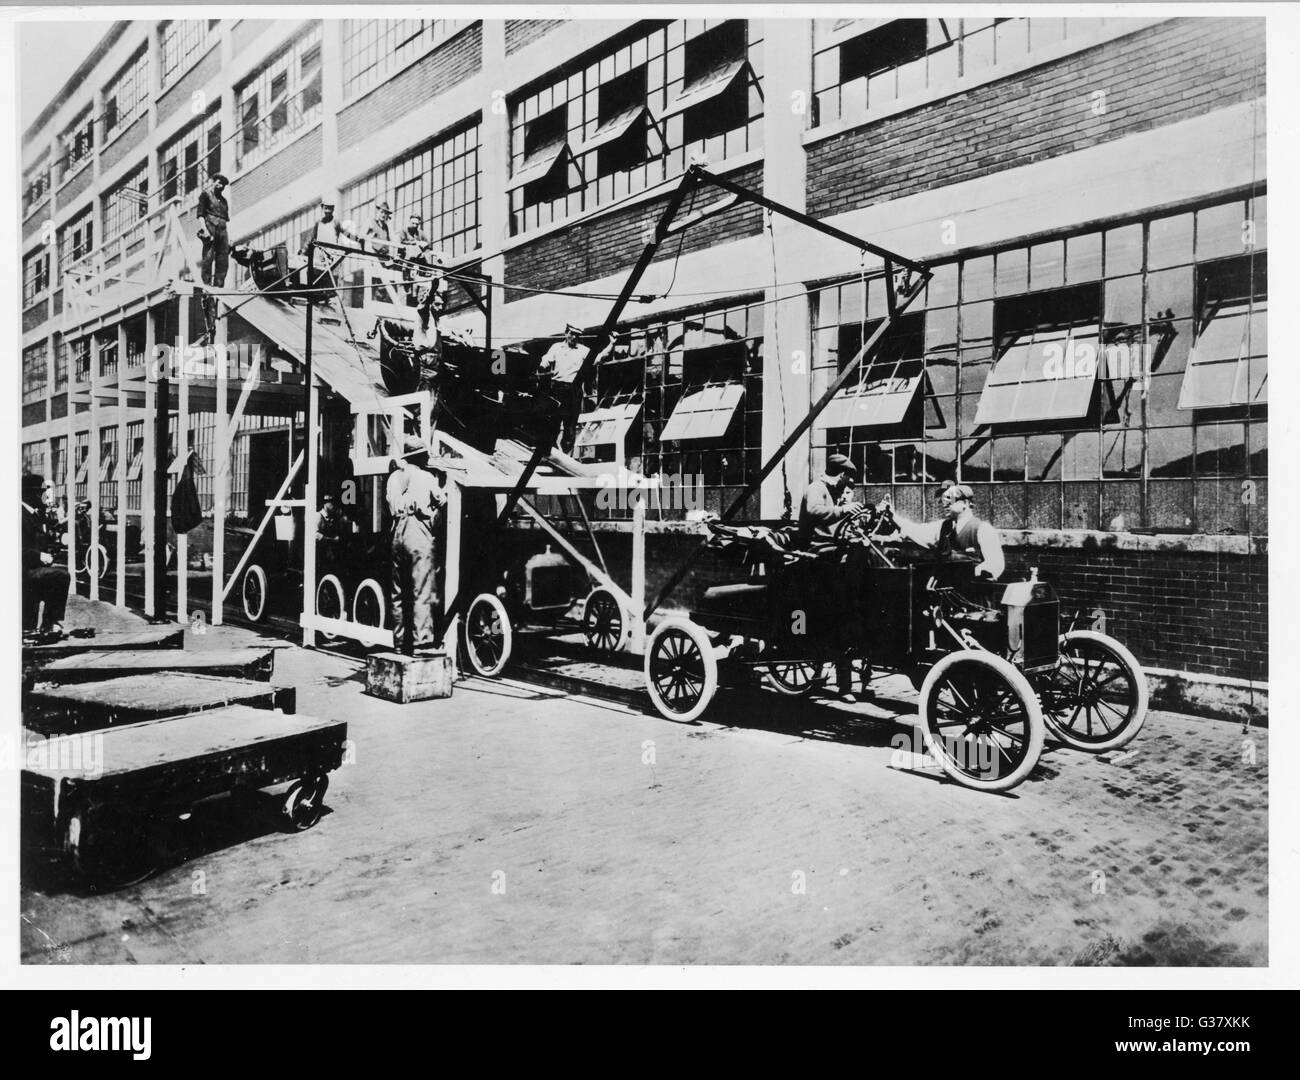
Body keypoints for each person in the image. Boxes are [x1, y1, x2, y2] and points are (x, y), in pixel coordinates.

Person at [796, 454, 866, 702]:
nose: (848, 484)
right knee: (837, 617)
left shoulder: (834, 493)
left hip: (833, 555)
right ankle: (840, 683)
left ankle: (844, 681)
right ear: (840, 474)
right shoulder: (816, 489)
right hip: (816, 558)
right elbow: (814, 511)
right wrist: (842, 509)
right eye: (848, 478)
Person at [386, 435, 447, 656]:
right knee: (422, 589)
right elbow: (442, 500)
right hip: (418, 532)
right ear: (421, 457)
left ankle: (400, 643)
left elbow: (390, 503)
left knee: (398, 591)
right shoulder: (427, 476)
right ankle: (422, 643)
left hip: (396, 532)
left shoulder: (394, 478)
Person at [890, 482, 1005, 580]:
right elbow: (916, 531)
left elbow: (996, 563)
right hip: (948, 595)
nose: (945, 505)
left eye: (951, 500)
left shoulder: (983, 529)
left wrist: (972, 572)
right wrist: (892, 516)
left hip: (974, 595)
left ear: (965, 503)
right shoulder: (942, 527)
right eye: (944, 501)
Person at [539, 324, 612, 455]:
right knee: (553, 422)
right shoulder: (556, 347)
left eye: (577, 335)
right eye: (571, 333)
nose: (574, 337)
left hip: (574, 389)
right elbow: (546, 359)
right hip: (557, 388)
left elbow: (597, 359)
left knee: (570, 425)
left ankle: (566, 454)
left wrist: (612, 344)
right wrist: (542, 365)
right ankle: (549, 453)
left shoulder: (583, 350)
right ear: (566, 333)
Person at [23, 473, 70, 640]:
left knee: (55, 576)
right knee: (61, 575)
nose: (43, 497)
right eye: (40, 493)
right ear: (32, 494)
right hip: (23, 571)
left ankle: (48, 624)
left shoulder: (34, 514)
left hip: (32, 568)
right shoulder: (19, 515)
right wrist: (40, 555)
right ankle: (50, 624)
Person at [197, 173, 231, 288]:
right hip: (210, 227)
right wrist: (204, 229)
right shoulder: (205, 195)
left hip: (222, 230)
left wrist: (228, 238)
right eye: (219, 183)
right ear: (214, 182)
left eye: (223, 185)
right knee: (208, 257)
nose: (221, 186)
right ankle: (206, 285)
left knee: (223, 260)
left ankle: (219, 287)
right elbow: (200, 214)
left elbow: (225, 220)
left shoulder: (224, 201)